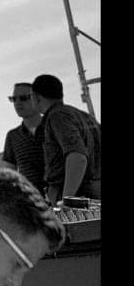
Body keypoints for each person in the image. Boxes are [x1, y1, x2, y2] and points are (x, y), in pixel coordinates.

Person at [30, 74, 101, 203]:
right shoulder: (84, 116)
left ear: (36, 97)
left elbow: (77, 157)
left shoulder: (57, 117)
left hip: (80, 201)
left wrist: (67, 201)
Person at [0, 82, 45, 191]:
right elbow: (10, 175)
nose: (18, 103)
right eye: (14, 99)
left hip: (62, 198)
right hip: (32, 201)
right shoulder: (13, 136)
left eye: (24, 98)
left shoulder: (55, 127)